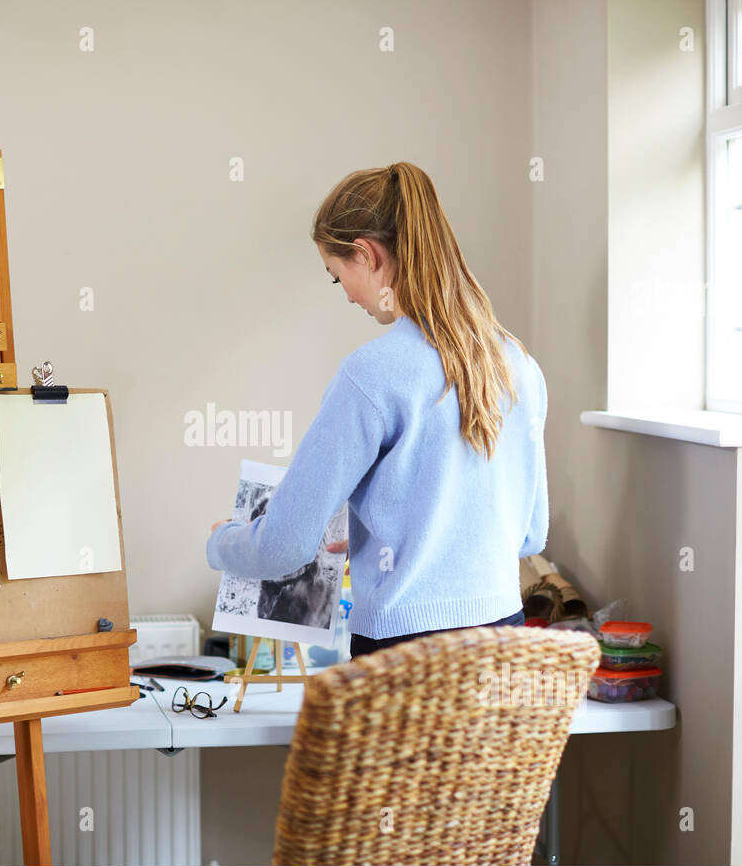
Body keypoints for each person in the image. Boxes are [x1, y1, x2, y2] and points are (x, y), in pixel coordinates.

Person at [206, 162, 547, 658]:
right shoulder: (517, 363)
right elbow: (530, 534)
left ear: (366, 255)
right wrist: (380, 527)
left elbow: (284, 547)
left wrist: (222, 543)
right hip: (503, 646)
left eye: (336, 276)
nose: (346, 295)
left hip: (403, 658)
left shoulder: (370, 374)